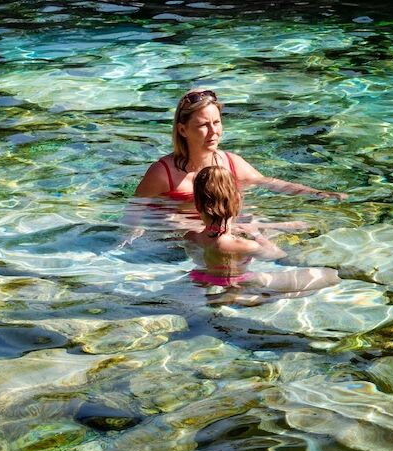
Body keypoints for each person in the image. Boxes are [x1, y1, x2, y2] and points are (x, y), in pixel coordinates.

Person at [135, 88, 345, 201]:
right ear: (182, 130)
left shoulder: (231, 163)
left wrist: (317, 194)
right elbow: (135, 214)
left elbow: (271, 183)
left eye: (216, 122)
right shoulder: (163, 174)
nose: (213, 131)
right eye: (203, 125)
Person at [185, 165, 337, 301]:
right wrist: (258, 235)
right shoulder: (245, 245)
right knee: (329, 276)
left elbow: (201, 256)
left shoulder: (191, 236)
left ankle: (225, 295)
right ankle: (240, 297)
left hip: (202, 278)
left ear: (197, 205)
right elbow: (277, 254)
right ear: (238, 201)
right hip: (240, 282)